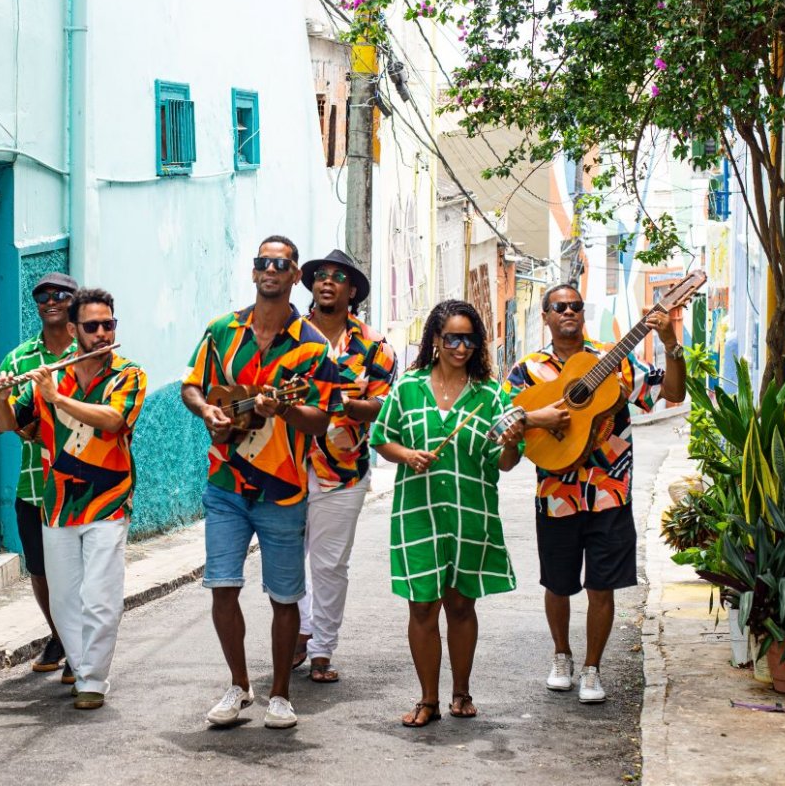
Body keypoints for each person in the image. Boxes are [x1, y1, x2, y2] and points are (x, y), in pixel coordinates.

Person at [369, 300, 563, 727]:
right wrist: (407, 455)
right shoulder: (408, 387)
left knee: (460, 606)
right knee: (422, 607)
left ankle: (461, 693)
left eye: (469, 339)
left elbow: (506, 462)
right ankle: (428, 700)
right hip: (417, 513)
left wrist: (511, 442)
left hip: (471, 513)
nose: (461, 347)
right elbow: (382, 438)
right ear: (436, 340)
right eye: (453, 338)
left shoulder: (491, 395)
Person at [180, 235, 342, 729]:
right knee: (221, 587)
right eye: (262, 263)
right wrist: (207, 409)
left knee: (284, 596)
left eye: (281, 264)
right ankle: (239, 685)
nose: (270, 270)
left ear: (295, 276)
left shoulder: (312, 346)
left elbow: (323, 420)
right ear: (253, 272)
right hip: (225, 483)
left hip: (283, 488)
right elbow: (192, 386)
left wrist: (285, 409)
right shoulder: (222, 331)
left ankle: (280, 694)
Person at [505, 282, 685, 704]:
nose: (568, 311)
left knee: (602, 586)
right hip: (556, 493)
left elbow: (673, 394)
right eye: (559, 307)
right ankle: (561, 656)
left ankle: (592, 668)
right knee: (557, 584)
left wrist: (670, 343)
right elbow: (508, 420)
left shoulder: (613, 359)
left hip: (609, 491)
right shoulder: (528, 370)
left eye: (575, 305)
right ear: (546, 317)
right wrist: (538, 420)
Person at [0, 288, 146, 710]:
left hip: (108, 500)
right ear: (74, 330)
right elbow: (8, 423)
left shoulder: (128, 374)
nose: (102, 333)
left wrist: (57, 399)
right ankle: (80, 665)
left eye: (108, 325)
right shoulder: (50, 376)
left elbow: (113, 420)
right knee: (63, 599)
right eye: (92, 326)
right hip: (57, 502)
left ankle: (93, 679)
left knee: (101, 594)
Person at [0, 272, 78, 677]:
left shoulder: (87, 352)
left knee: (74, 573)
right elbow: (3, 424)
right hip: (34, 482)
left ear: (74, 301)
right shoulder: (19, 359)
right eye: (42, 297)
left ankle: (79, 650)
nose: (51, 301)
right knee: (40, 571)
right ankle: (60, 636)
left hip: (80, 483)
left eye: (59, 294)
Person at [293, 249, 396, 683]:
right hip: (285, 463)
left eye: (338, 277)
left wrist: (347, 404)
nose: (327, 282)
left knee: (330, 563)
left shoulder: (374, 346)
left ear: (352, 291)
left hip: (343, 468)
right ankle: (300, 629)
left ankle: (321, 648)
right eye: (320, 275)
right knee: (287, 558)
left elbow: (384, 405)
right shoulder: (289, 335)